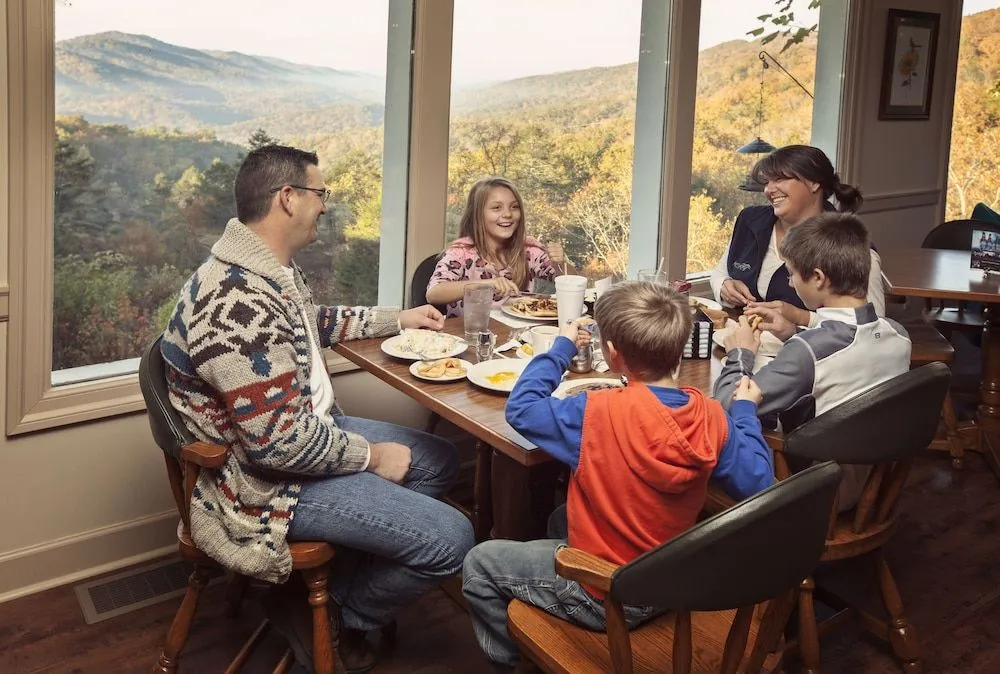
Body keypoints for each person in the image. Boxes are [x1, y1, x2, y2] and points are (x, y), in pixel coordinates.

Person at [159, 144, 474, 671]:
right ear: (287, 198)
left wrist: (399, 318)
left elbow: (313, 321)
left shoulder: (267, 271)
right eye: (319, 193)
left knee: (439, 460)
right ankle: (337, 613)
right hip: (264, 482)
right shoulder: (234, 301)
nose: (325, 205)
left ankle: (334, 583)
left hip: (310, 432)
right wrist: (372, 456)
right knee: (453, 538)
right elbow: (278, 446)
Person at [461, 282, 775, 669]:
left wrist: (561, 348)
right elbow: (759, 483)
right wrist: (744, 410)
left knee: (479, 564)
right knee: (560, 518)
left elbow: (522, 408)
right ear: (679, 349)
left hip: (605, 591)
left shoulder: (595, 412)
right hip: (669, 578)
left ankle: (512, 661)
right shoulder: (713, 417)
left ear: (612, 354)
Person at [713, 212, 912, 511]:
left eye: (792, 274)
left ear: (818, 278)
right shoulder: (898, 334)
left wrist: (740, 353)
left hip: (815, 490)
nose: (791, 283)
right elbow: (844, 354)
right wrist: (793, 332)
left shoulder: (807, 352)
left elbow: (728, 403)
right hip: (869, 480)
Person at [710, 144, 886, 327]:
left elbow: (873, 327)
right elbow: (720, 273)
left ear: (814, 183)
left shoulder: (849, 246)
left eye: (780, 179)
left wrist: (802, 318)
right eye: (767, 182)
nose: (768, 190)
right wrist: (723, 286)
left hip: (807, 346)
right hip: (739, 337)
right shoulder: (749, 220)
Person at [426, 176, 571, 317]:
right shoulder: (460, 254)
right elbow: (434, 293)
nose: (507, 214)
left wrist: (560, 262)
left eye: (514, 207)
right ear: (477, 215)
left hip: (517, 332)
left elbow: (572, 285)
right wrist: (486, 284)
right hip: (468, 331)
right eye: (496, 208)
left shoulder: (530, 252)